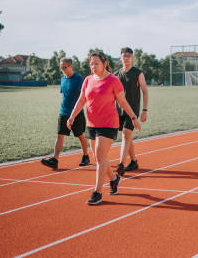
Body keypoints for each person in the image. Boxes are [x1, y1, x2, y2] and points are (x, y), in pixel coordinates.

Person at [67, 52, 141, 205]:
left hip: (108, 124)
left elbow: (123, 102)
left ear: (105, 63)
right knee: (99, 157)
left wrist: (133, 117)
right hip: (91, 124)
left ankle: (97, 192)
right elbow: (82, 100)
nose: (93, 67)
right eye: (91, 64)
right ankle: (114, 179)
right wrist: (72, 116)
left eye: (96, 64)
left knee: (100, 155)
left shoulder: (113, 80)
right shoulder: (87, 80)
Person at [41, 57, 89, 169]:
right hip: (63, 112)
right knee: (60, 135)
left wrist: (75, 112)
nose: (63, 69)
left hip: (77, 113)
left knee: (80, 135)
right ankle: (55, 160)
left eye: (65, 67)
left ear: (71, 66)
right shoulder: (62, 79)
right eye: (61, 67)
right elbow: (64, 95)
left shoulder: (78, 79)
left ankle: (85, 156)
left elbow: (83, 96)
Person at [114, 47, 149, 176]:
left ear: (132, 57)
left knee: (125, 133)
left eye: (129, 55)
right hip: (119, 110)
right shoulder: (116, 75)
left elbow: (145, 91)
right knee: (127, 136)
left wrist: (144, 110)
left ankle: (121, 164)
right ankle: (134, 161)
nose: (126, 57)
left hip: (133, 110)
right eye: (124, 55)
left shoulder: (138, 73)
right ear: (120, 57)